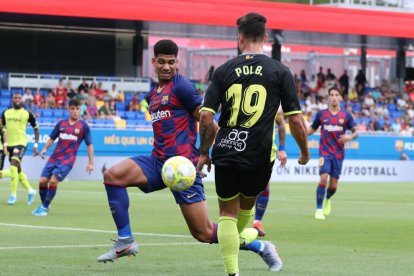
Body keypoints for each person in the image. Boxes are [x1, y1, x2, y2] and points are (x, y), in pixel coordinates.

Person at [96, 39, 281, 271]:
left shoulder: (181, 87)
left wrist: (209, 152)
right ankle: (126, 241)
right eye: (161, 62)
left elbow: (208, 121)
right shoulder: (153, 94)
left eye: (171, 62)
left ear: (178, 63)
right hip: (158, 161)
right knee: (113, 176)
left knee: (203, 233)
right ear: (153, 62)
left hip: (183, 167)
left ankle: (261, 247)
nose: (166, 67)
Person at [197, 13, 310, 276]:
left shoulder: (223, 70)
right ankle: (253, 243)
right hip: (258, 154)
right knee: (245, 212)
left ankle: (234, 271)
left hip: (226, 149)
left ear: (240, 38)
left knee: (226, 213)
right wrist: (304, 152)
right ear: (266, 38)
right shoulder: (280, 71)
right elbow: (295, 120)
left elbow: (205, 116)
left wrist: (204, 152)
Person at [32, 99, 94, 216]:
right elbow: (52, 138)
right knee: (42, 181)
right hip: (54, 157)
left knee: (53, 181)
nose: (75, 111)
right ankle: (44, 204)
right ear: (68, 109)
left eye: (77, 109)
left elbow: (89, 145)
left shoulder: (83, 127)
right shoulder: (61, 124)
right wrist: (45, 148)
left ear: (80, 110)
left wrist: (91, 163)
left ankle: (44, 208)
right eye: (73, 109)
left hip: (67, 160)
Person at [307, 86, 358, 220]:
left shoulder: (346, 115)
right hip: (324, 152)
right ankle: (318, 209)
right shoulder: (321, 114)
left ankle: (327, 199)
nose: (334, 97)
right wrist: (299, 133)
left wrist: (349, 137)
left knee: (333, 185)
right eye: (332, 95)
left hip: (339, 154)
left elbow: (356, 131)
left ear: (341, 98)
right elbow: (312, 129)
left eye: (337, 95)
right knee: (323, 178)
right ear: (328, 97)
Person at [252, 112, 287, 237]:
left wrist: (282, 149)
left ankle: (257, 222)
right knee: (241, 187)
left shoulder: (272, 101)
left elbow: (282, 125)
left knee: (264, 187)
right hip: (242, 148)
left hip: (265, 152)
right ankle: (234, 222)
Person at [1, 93, 39, 205]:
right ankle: (30, 191)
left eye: (19, 98)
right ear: (12, 100)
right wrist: (5, 145)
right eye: (15, 98)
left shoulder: (27, 114)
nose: (17, 100)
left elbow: (36, 130)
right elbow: (3, 130)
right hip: (10, 145)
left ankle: (13, 195)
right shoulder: (5, 113)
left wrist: (35, 145)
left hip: (21, 143)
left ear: (22, 100)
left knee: (13, 166)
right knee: (18, 170)